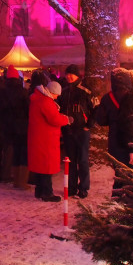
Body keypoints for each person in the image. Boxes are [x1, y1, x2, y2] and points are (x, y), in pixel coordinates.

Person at [28, 81, 71, 202]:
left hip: (39, 137)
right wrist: (66, 119)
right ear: (52, 92)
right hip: (46, 138)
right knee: (47, 167)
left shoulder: (37, 99)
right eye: (57, 94)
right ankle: (47, 193)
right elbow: (54, 119)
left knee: (40, 166)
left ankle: (39, 191)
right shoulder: (46, 101)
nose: (57, 97)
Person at [58, 65, 94, 199]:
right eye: (67, 74)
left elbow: (95, 109)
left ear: (78, 75)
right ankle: (72, 187)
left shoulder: (85, 92)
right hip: (68, 131)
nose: (69, 76)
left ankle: (83, 188)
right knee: (70, 161)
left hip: (81, 131)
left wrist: (88, 125)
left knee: (83, 161)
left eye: (71, 74)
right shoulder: (64, 91)